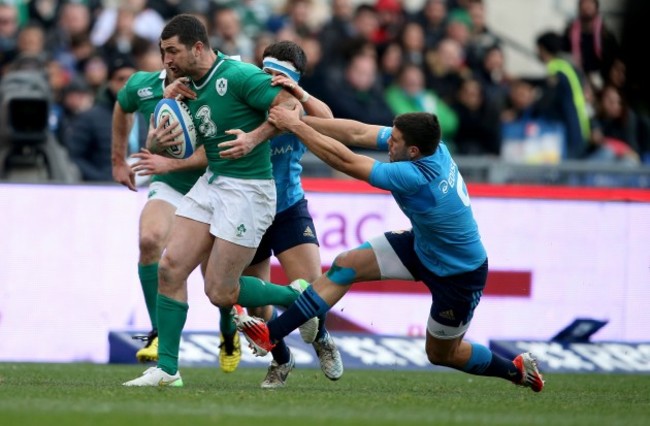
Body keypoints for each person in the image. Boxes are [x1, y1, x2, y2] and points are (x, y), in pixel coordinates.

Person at [233, 109, 545, 393]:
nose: (388, 144)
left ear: (413, 151)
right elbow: (357, 133)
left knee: (441, 354)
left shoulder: (415, 176)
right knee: (345, 265)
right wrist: (292, 119)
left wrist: (297, 127)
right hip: (423, 247)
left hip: (459, 274)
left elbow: (345, 160)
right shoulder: (429, 146)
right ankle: (272, 333)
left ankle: (515, 370)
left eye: (394, 141)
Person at [129, 40, 344, 389]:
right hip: (244, 205)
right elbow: (210, 148)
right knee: (252, 305)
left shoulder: (294, 107)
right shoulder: (247, 97)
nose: (272, 80)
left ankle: (322, 341)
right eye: (267, 72)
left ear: (295, 79)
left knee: (312, 292)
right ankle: (280, 359)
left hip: (287, 207)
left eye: (281, 76)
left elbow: (330, 123)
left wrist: (300, 95)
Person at [111, 50, 242, 372]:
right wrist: (117, 159)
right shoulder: (143, 86)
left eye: (176, 52)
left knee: (217, 286)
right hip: (170, 185)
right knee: (150, 239)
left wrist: (168, 159)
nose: (172, 60)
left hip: (214, 187)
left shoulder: (220, 83)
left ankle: (228, 327)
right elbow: (122, 106)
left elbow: (217, 149)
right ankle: (158, 333)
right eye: (166, 52)